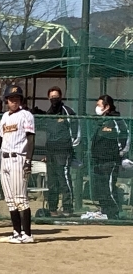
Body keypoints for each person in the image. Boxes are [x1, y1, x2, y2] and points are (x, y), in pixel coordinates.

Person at [0, 85, 36, 243]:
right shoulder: (5, 117)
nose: (14, 101)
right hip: (4, 159)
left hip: (18, 158)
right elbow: (0, 141)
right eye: (11, 99)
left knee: (20, 198)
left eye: (17, 98)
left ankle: (27, 234)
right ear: (6, 101)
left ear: (21, 100)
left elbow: (31, 139)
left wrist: (28, 161)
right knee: (10, 200)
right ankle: (16, 232)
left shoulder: (26, 115)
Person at [88, 95, 130, 220]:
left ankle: (114, 212)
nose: (96, 107)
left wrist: (120, 154)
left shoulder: (117, 121)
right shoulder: (100, 122)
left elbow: (125, 138)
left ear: (107, 107)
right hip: (98, 160)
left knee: (108, 186)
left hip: (111, 161)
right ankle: (104, 210)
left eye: (99, 105)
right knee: (100, 187)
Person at [43, 86, 78, 216]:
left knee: (64, 179)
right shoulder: (48, 113)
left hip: (64, 152)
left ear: (61, 97)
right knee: (52, 182)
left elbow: (76, 130)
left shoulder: (67, 112)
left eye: (56, 97)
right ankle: (53, 208)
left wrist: (70, 147)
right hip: (51, 152)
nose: (54, 99)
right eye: (52, 97)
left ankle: (67, 208)